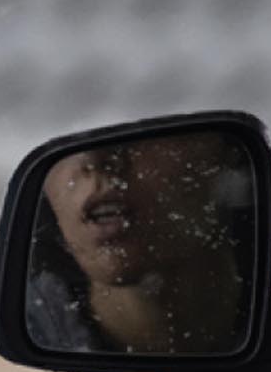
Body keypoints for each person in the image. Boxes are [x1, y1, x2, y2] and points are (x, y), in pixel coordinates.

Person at [25, 132, 251, 354]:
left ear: (224, 155)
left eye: (150, 126)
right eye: (62, 133)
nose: (95, 159)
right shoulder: (28, 328)